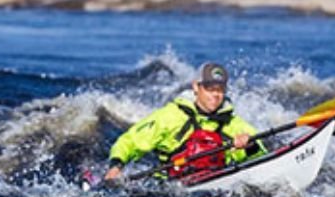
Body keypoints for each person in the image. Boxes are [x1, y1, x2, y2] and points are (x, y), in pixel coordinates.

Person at [101, 62, 265, 183]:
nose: (216, 95)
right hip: (169, 188)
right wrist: (116, 166)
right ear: (196, 87)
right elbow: (129, 141)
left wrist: (249, 146)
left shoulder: (232, 122)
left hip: (216, 182)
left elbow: (262, 155)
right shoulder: (171, 116)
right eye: (209, 88)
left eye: (220, 89)